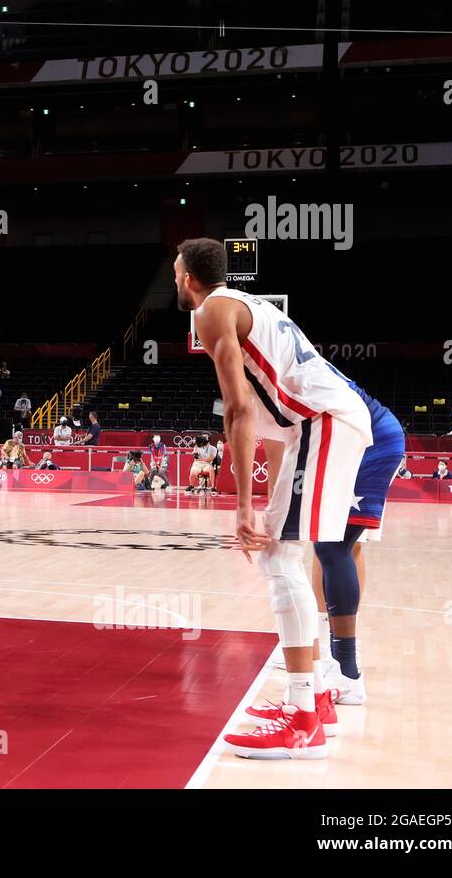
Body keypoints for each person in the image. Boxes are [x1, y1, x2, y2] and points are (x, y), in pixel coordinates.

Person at [177, 236, 403, 759]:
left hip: (326, 420)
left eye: (175, 272)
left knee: (281, 559)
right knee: (284, 556)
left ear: (188, 276)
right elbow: (267, 421)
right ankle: (318, 695)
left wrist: (241, 504)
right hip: (320, 422)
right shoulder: (250, 305)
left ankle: (304, 717)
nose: (175, 280)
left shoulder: (210, 312)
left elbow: (237, 411)